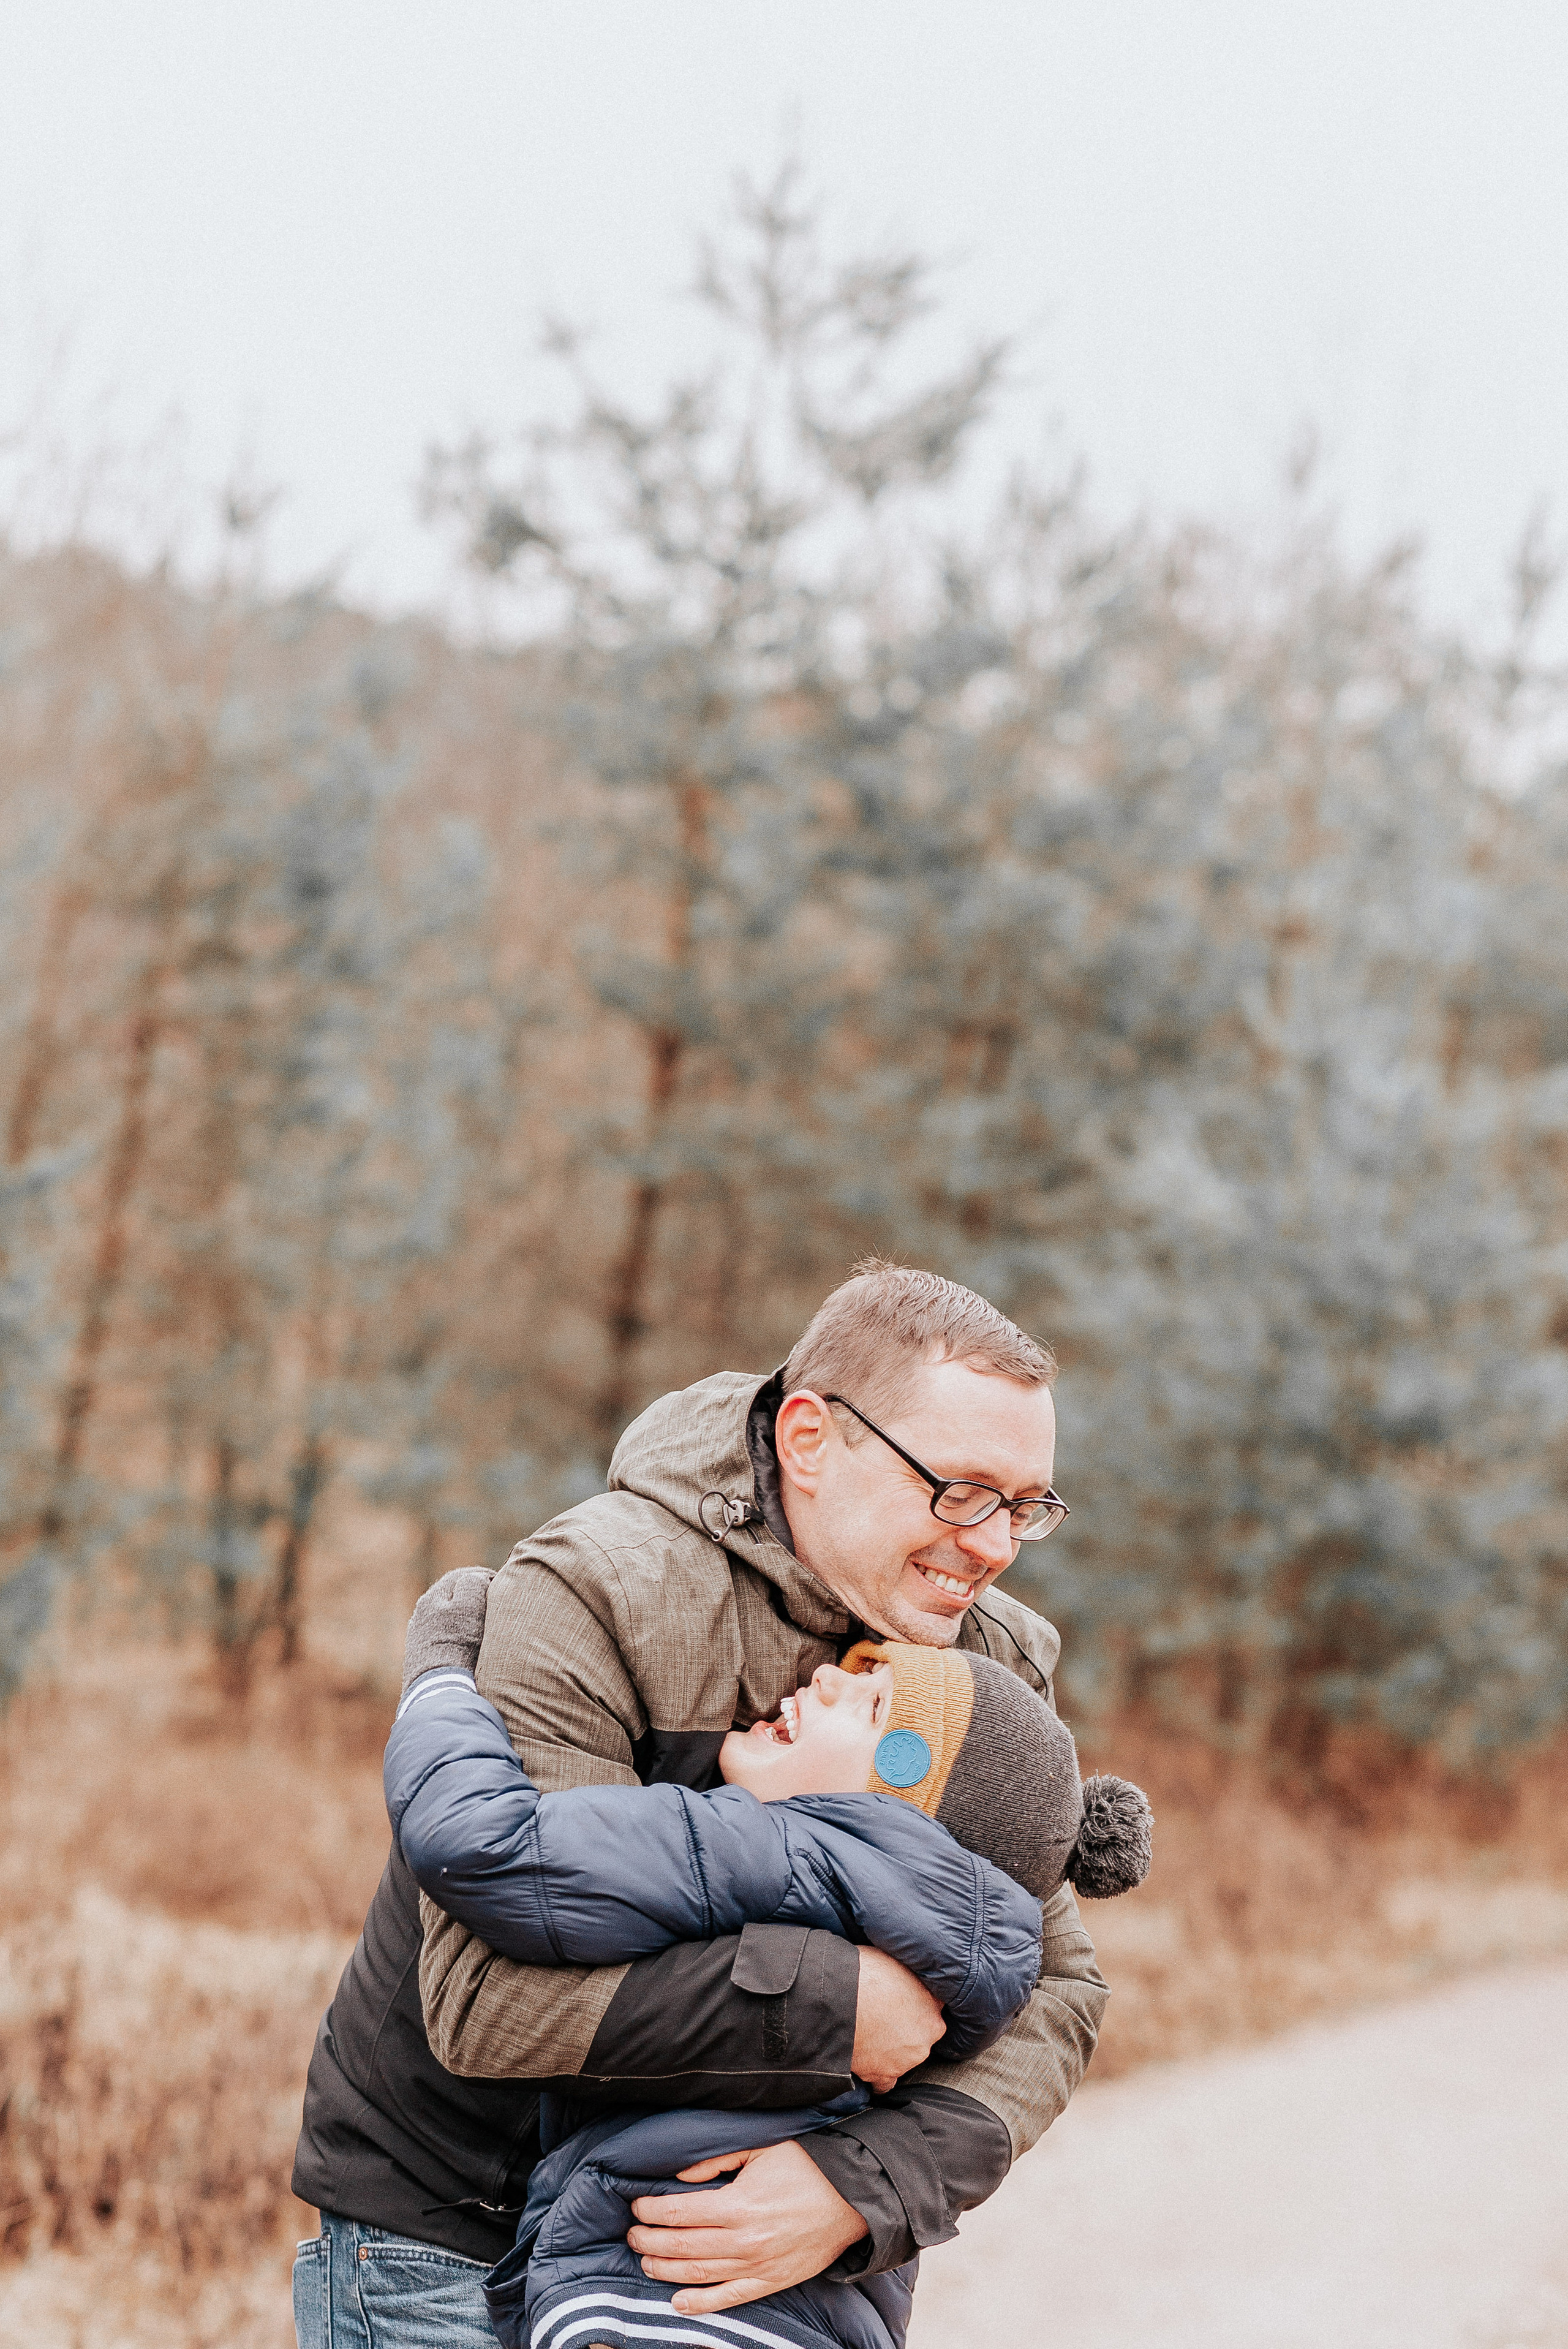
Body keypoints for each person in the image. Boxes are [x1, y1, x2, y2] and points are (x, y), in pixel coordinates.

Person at [291, 1262, 1116, 2349]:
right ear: (812, 1440)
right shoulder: (596, 1587)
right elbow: (483, 2000)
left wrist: (853, 2183)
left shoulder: (987, 1660)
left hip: (704, 2252)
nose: (997, 1543)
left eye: (1025, 1504)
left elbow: (1052, 1989)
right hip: (445, 2235)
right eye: (960, 1491)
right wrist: (831, 2007)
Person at [385, 1617, 1153, 2349]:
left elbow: (482, 1846)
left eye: (871, 1700)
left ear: (902, 1787)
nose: (823, 1678)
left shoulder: (776, 1848)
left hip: (662, 2306)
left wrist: (441, 1677)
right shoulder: (961, 1950)